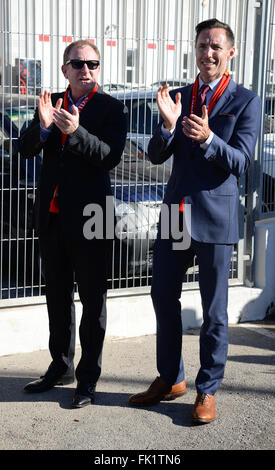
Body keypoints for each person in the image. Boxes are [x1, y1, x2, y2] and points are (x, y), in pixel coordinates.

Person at [129, 18, 261, 423]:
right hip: (175, 215)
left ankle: (207, 390)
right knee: (161, 296)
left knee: (214, 310)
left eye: (216, 46)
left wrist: (208, 139)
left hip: (217, 218)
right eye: (202, 45)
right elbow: (154, 155)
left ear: (230, 52)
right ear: (196, 49)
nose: (208, 53)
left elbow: (239, 161)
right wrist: (168, 126)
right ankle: (171, 378)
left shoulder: (246, 101)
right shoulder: (181, 95)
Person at [19, 40, 127, 408]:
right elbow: (25, 148)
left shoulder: (112, 108)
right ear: (65, 69)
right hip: (51, 218)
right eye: (78, 64)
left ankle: (88, 379)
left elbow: (110, 157)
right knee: (57, 296)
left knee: (93, 301)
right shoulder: (52, 103)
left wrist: (77, 132)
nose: (86, 71)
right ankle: (60, 365)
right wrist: (45, 128)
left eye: (93, 64)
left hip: (93, 218)